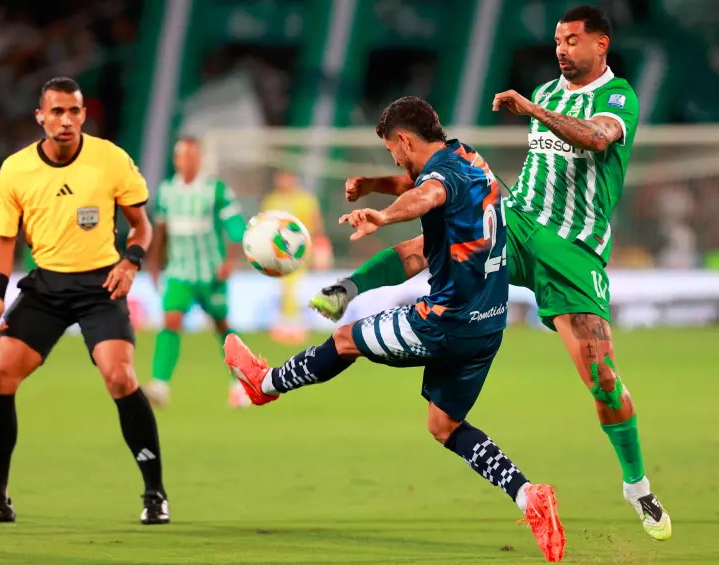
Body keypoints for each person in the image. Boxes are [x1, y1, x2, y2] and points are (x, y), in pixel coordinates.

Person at [309, 5, 671, 541]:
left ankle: (636, 487)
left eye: (573, 40)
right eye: (557, 40)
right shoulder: (547, 93)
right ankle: (346, 289)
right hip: (520, 219)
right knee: (433, 240)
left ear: (601, 45)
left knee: (603, 381)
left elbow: (594, 139)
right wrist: (389, 188)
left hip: (572, 250)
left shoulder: (617, 98)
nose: (561, 49)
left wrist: (530, 110)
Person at [225, 97, 565, 562]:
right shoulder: (469, 159)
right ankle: (530, 497)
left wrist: (383, 214)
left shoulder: (438, 183)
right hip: (488, 325)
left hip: (444, 323)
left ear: (405, 139)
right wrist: (373, 188)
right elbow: (416, 222)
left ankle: (264, 384)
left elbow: (424, 193)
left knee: (347, 339)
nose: (395, 159)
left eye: (391, 151)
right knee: (444, 425)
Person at [0, 77, 170, 525]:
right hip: (46, 287)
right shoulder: (16, 169)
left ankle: (155, 493)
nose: (66, 120)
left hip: (100, 286)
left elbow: (142, 226)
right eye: (56, 112)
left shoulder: (110, 159)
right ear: (40, 117)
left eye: (73, 111)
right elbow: (3, 240)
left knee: (120, 376)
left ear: (83, 115)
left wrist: (130, 263)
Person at [143, 137, 250, 409]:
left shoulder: (215, 190)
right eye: (182, 156)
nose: (187, 161)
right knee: (171, 321)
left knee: (222, 327)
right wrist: (154, 265)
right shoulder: (167, 191)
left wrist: (229, 261)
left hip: (211, 273)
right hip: (179, 272)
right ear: (176, 160)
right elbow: (161, 231)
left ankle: (242, 383)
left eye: (192, 155)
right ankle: (160, 385)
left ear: (200, 159)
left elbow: (235, 226)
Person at [260, 170, 331, 344]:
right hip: (278, 251)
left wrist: (317, 244)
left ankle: (292, 326)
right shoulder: (272, 199)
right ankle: (291, 324)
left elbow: (315, 222)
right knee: (286, 285)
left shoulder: (305, 199)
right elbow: (263, 223)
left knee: (291, 284)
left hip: (300, 249)